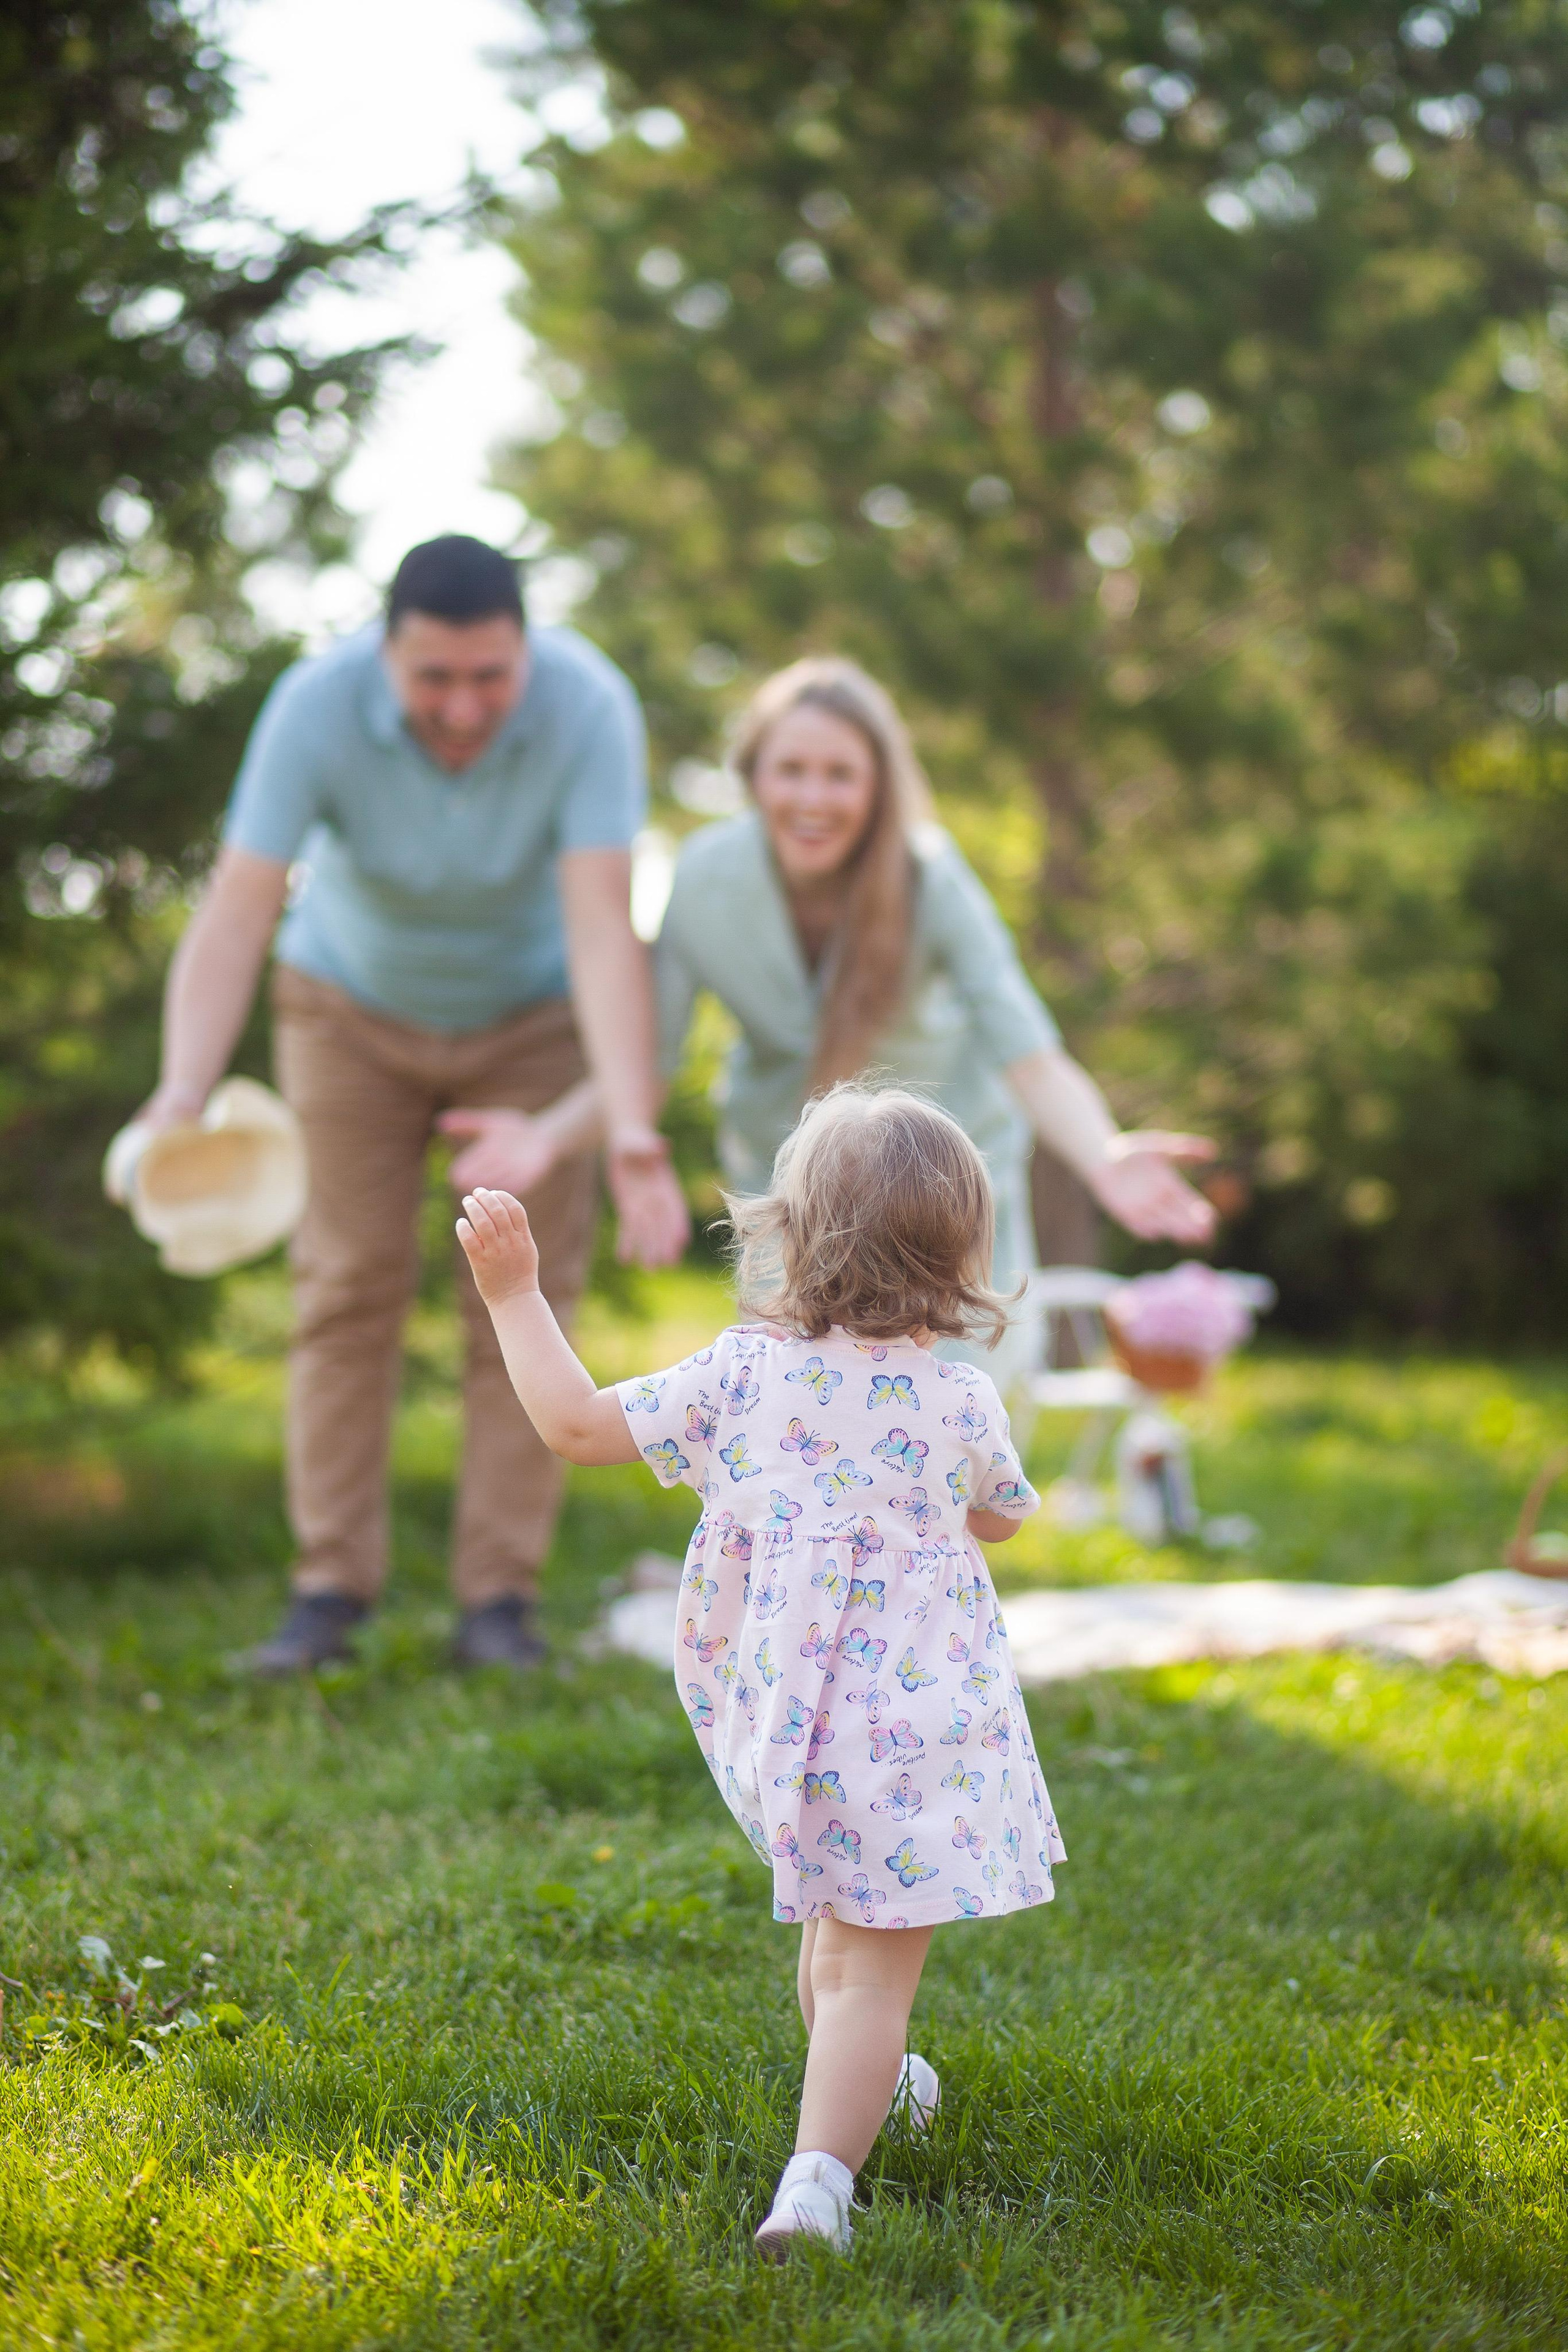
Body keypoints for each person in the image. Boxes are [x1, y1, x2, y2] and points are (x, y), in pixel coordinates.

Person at [455, 1084, 1067, 2255]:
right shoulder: (959, 1398)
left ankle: (875, 2092)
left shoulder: (741, 1379)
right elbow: (1002, 1516)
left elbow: (574, 1426)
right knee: (865, 1977)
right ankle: (819, 2186)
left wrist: (516, 1295)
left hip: (794, 1728)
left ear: (792, 1232)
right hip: (921, 1732)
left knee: (833, 1946)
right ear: (960, 1253)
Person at [137, 535, 688, 1675]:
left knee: (527, 1297)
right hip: (347, 1009)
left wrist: (630, 1123)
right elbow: (240, 905)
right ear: (386, 653)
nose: (464, 706)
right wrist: (181, 1091)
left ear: (526, 650)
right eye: (435, 678)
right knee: (346, 1287)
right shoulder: (315, 705)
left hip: (532, 1019)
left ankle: (499, 1605)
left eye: (492, 676)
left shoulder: (588, 705)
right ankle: (328, 1594)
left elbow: (603, 923)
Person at [655, 657, 1215, 1362]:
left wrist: (1102, 1155)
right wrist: (613, 1144)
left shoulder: (929, 877)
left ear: (878, 786)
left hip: (938, 1191)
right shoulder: (702, 876)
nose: (812, 797)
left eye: (840, 774)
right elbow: (647, 1054)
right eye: (790, 769)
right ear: (751, 776)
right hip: (792, 1186)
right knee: (796, 1395)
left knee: (952, 1400)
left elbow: (1027, 1053)